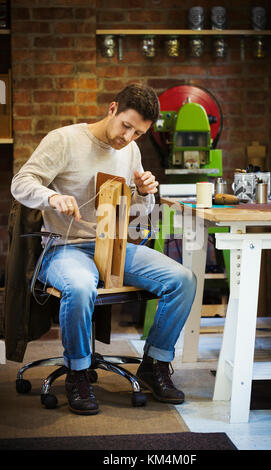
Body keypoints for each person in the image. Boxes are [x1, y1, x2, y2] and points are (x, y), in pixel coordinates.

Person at [11, 83, 197, 416]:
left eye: (138, 133)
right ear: (112, 108)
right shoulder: (64, 140)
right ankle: (79, 373)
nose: (128, 137)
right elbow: (21, 182)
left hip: (113, 246)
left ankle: (154, 366)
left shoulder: (131, 150)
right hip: (65, 247)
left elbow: (137, 214)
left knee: (182, 279)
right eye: (126, 125)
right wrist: (51, 197)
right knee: (80, 287)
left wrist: (143, 193)